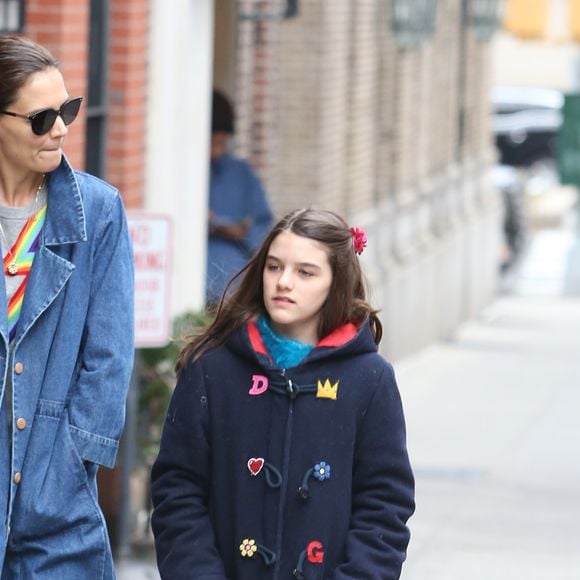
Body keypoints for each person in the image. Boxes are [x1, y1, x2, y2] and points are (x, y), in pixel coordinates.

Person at [151, 208, 415, 579]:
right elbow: (177, 491)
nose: (284, 282)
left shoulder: (369, 379)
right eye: (274, 267)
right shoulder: (212, 369)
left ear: (335, 282)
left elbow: (384, 505)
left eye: (305, 272)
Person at [0, 36, 134, 578]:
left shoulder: (97, 211)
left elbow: (109, 352)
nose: (60, 128)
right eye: (41, 118)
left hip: (53, 494)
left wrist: (75, 455)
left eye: (68, 110)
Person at [206, 89, 273, 306]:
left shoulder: (240, 173)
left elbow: (262, 225)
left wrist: (240, 233)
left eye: (221, 143)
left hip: (234, 287)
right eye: (211, 143)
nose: (216, 152)